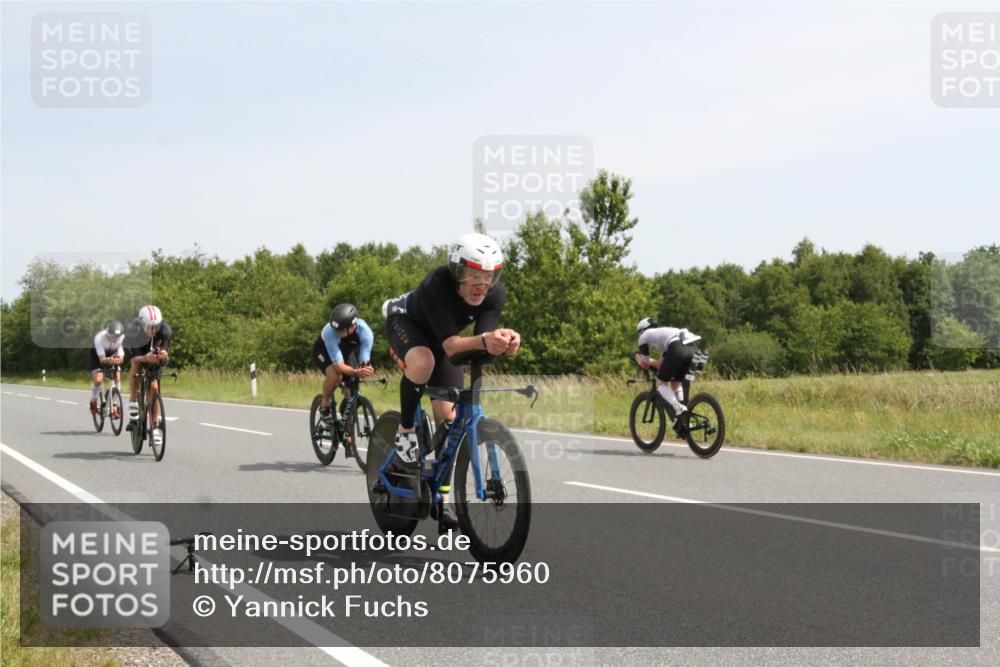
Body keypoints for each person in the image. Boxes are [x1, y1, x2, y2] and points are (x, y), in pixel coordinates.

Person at [382, 232, 521, 527]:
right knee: (423, 362)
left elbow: (477, 346)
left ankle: (441, 498)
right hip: (407, 323)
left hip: (447, 340)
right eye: (472, 276)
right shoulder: (437, 285)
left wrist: (504, 344)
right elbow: (454, 346)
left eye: (488, 277)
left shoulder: (494, 295)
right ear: (457, 272)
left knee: (450, 418)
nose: (480, 286)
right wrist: (485, 339)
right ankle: (406, 431)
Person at [634, 318, 703, 436]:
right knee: (676, 383)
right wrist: (651, 361)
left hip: (677, 348)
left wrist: (637, 358)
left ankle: (679, 408)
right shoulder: (666, 333)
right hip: (693, 348)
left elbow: (645, 365)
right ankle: (682, 415)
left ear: (642, 330)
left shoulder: (643, 337)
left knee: (660, 383)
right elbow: (661, 364)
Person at [312, 303, 375, 432]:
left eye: (339, 331)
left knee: (351, 387)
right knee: (336, 375)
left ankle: (347, 427)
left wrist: (365, 368)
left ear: (352, 327)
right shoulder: (330, 332)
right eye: (335, 330)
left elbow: (364, 357)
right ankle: (325, 405)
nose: (336, 332)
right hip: (323, 351)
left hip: (346, 352)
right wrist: (355, 371)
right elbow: (339, 366)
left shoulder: (365, 333)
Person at [125, 305, 172, 448]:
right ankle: (133, 400)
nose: (152, 330)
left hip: (153, 355)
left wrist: (164, 354)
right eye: (149, 327)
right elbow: (134, 359)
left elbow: (165, 354)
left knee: (154, 386)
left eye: (155, 327)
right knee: (136, 367)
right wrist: (145, 358)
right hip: (139, 352)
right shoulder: (133, 330)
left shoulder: (165, 330)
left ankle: (155, 425)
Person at [89, 320, 125, 415]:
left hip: (112, 354)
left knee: (117, 377)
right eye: (112, 337)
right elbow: (102, 360)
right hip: (98, 356)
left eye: (116, 337)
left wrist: (118, 360)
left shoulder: (122, 338)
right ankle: (93, 400)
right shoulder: (99, 338)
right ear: (108, 333)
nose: (114, 339)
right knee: (98, 379)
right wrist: (110, 360)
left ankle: (114, 404)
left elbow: (121, 357)